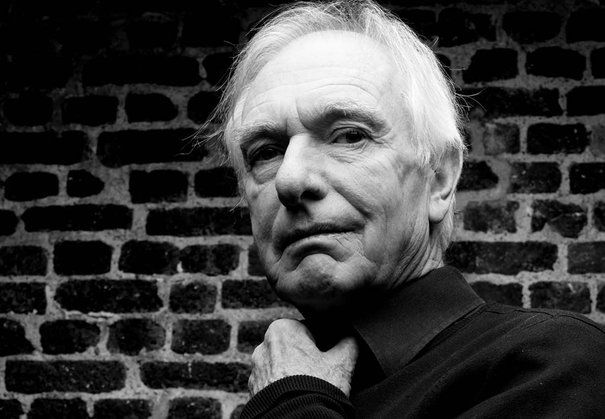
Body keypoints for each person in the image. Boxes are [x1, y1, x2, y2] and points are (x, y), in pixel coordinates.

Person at [201, 1, 605, 417]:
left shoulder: (557, 364)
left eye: (348, 136)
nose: (290, 179)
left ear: (439, 179)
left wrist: (292, 403)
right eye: (266, 152)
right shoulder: (284, 380)